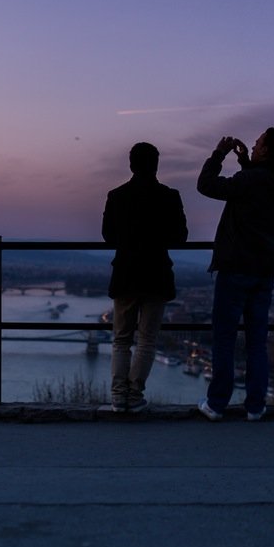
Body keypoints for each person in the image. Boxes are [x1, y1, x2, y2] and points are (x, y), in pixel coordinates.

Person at [196, 128, 274, 422]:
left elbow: (206, 185)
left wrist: (219, 154)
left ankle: (216, 404)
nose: (252, 144)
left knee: (225, 338)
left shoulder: (250, 180)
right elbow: (259, 185)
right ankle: (255, 405)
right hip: (265, 269)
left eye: (258, 142)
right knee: (256, 340)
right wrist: (245, 162)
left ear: (265, 150)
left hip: (236, 266)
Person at [103, 142, 188, 413]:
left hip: (126, 273)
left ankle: (117, 396)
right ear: (156, 165)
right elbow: (180, 237)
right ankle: (135, 394)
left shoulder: (116, 196)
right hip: (156, 273)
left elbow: (108, 235)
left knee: (121, 339)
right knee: (147, 339)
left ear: (131, 165)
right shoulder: (170, 196)